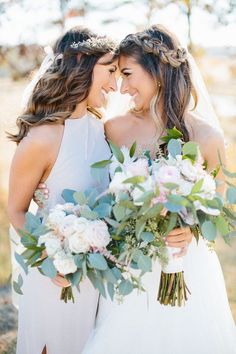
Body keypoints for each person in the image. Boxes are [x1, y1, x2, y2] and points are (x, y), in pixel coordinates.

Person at [81, 25, 236, 354]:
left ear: (159, 70)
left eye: (127, 73)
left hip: (188, 266)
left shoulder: (206, 137)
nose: (122, 87)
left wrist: (191, 231)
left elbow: (220, 203)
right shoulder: (114, 129)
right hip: (131, 266)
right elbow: (97, 190)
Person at [7, 26, 118, 354]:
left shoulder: (105, 131)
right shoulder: (42, 138)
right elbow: (15, 210)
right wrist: (49, 257)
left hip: (97, 276)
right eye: (110, 71)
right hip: (54, 275)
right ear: (82, 60)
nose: (114, 84)